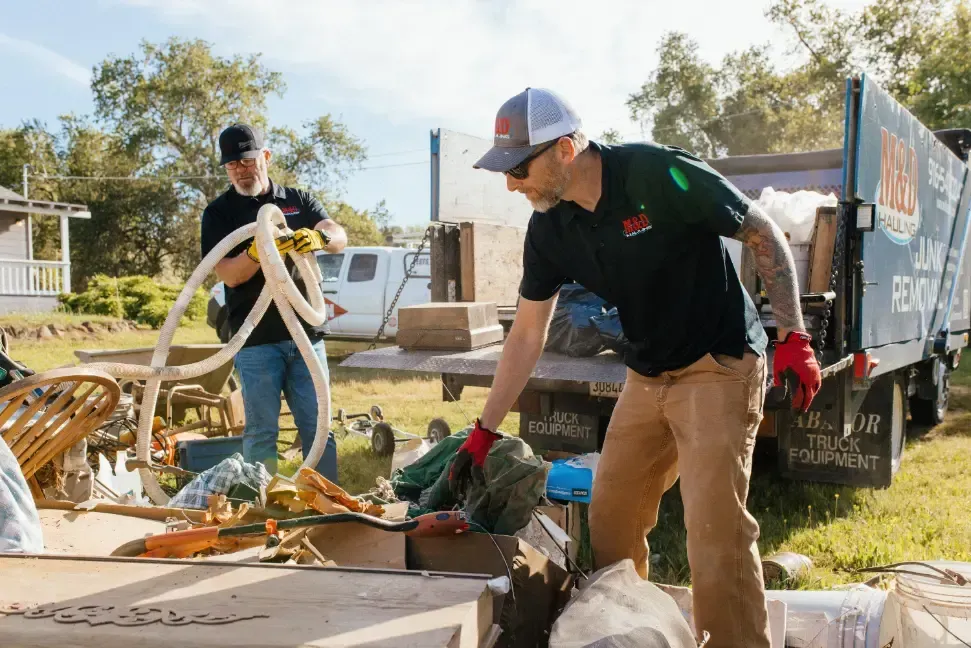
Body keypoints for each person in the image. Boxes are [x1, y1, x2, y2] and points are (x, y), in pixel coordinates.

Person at [450, 88, 821, 648]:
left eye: (520, 168)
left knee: (714, 535)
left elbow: (761, 232)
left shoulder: (657, 173)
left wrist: (793, 335)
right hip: (647, 375)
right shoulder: (551, 227)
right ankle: (632, 635)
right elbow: (527, 333)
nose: (511, 183)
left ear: (567, 150)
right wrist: (484, 430)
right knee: (612, 520)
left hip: (718, 363)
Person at [200, 123, 347, 482]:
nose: (240, 170)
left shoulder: (297, 201)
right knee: (261, 433)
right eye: (232, 165)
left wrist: (317, 237)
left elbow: (339, 236)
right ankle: (263, 504)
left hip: (305, 335)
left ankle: (327, 505)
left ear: (265, 157)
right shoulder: (219, 213)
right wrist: (258, 251)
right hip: (255, 341)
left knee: (319, 427)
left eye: (247, 161)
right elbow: (230, 275)